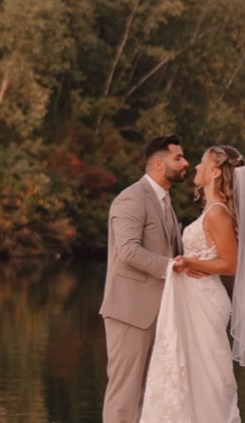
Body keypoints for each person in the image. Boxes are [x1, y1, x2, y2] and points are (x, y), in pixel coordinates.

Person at [137, 145, 245, 423]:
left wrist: (192, 263)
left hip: (206, 301)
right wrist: (188, 263)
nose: (195, 167)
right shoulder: (210, 210)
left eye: (202, 163)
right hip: (195, 300)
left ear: (216, 172)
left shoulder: (217, 213)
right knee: (193, 377)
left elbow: (232, 264)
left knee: (208, 378)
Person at [99, 133, 188, 423]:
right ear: (159, 165)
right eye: (178, 157)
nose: (186, 162)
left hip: (161, 313)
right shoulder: (130, 198)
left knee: (150, 398)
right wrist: (171, 267)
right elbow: (127, 251)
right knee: (124, 397)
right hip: (131, 312)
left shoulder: (165, 201)